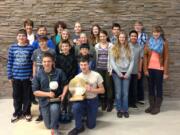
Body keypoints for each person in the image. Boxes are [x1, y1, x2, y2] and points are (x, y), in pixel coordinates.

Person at [32, 52, 68, 135]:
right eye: (44, 61)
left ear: (52, 62)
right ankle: (54, 119)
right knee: (48, 125)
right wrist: (47, 94)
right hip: (44, 101)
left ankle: (55, 129)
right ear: (42, 62)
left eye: (49, 61)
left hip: (56, 100)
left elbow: (66, 84)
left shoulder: (59, 72)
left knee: (54, 109)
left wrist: (63, 94)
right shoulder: (38, 74)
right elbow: (35, 92)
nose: (46, 63)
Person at [68, 56, 105, 135]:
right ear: (79, 65)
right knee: (75, 107)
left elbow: (102, 90)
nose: (83, 67)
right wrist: (74, 92)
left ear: (89, 65)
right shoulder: (77, 77)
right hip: (82, 100)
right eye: (81, 65)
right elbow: (74, 91)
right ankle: (79, 127)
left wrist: (92, 90)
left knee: (91, 126)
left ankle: (88, 116)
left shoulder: (96, 75)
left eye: (85, 64)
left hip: (93, 100)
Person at [7, 29, 34, 122]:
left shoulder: (30, 48)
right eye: (19, 36)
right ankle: (17, 112)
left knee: (27, 96)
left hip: (27, 77)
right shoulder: (12, 48)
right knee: (16, 96)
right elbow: (10, 62)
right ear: (17, 37)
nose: (21, 37)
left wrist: (32, 75)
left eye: (23, 36)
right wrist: (9, 76)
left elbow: (32, 63)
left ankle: (27, 112)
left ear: (26, 37)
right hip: (16, 77)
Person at [144, 25, 169, 115]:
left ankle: (157, 107)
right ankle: (151, 105)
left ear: (160, 33)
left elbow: (166, 57)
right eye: (154, 32)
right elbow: (145, 56)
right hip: (150, 68)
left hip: (159, 69)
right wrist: (145, 69)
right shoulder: (148, 42)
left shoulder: (164, 42)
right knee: (150, 87)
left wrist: (165, 72)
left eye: (158, 32)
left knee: (158, 87)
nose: (156, 34)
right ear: (152, 32)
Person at [31, 35, 56, 122]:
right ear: (38, 42)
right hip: (39, 77)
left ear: (47, 42)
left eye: (44, 41)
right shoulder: (35, 52)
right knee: (40, 96)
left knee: (50, 93)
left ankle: (52, 111)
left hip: (49, 75)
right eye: (40, 41)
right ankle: (42, 114)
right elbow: (34, 64)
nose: (42, 43)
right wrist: (34, 76)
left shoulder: (52, 51)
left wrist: (54, 74)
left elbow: (54, 64)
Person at [110, 31, 134, 118]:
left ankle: (125, 110)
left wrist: (128, 73)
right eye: (120, 37)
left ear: (126, 38)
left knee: (125, 93)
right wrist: (118, 72)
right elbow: (112, 61)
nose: (122, 39)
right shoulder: (114, 47)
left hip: (127, 73)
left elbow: (132, 61)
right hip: (117, 73)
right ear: (118, 38)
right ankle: (119, 110)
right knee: (118, 93)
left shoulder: (130, 47)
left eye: (123, 37)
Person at [95, 30, 114, 112]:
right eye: (101, 36)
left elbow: (113, 58)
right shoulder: (96, 46)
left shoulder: (111, 45)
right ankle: (103, 102)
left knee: (108, 85)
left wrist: (111, 69)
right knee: (101, 86)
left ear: (106, 36)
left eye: (103, 36)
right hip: (99, 68)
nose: (102, 38)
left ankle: (110, 103)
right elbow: (96, 58)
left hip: (108, 69)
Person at [128, 30, 144, 108]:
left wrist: (139, 71)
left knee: (134, 88)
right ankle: (127, 102)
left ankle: (133, 102)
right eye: (132, 36)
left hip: (135, 71)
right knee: (127, 88)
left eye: (135, 36)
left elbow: (141, 59)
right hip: (126, 71)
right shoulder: (126, 45)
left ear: (137, 37)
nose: (133, 37)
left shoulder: (140, 47)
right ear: (129, 37)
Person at [134, 21, 148, 104]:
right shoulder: (131, 35)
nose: (137, 27)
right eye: (136, 25)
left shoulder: (145, 36)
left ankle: (141, 98)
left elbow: (146, 47)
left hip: (142, 59)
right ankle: (134, 97)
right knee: (133, 79)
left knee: (140, 78)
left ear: (142, 26)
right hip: (133, 59)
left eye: (139, 25)